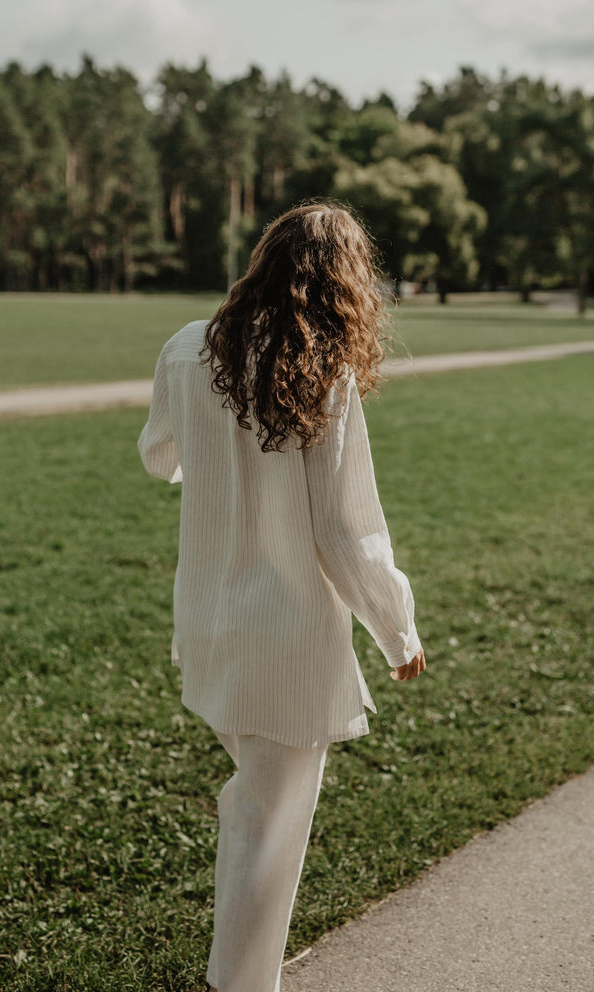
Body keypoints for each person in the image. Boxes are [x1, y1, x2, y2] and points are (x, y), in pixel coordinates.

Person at [137, 201, 426, 992]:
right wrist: (398, 629)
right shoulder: (323, 374)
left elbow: (159, 456)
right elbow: (347, 531)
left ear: (265, 259)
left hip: (209, 624)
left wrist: (221, 462)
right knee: (269, 828)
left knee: (253, 812)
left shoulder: (185, 349)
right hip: (288, 640)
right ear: (343, 284)